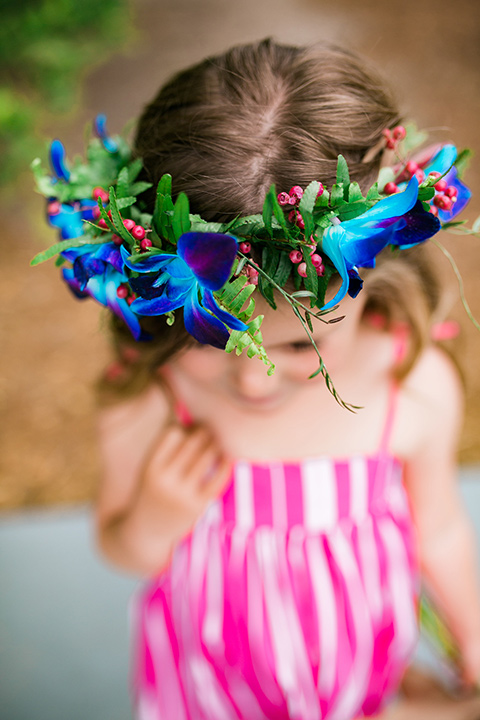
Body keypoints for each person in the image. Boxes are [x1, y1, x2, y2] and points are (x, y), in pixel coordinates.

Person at [34, 39, 480, 720]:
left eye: (304, 346)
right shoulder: (156, 395)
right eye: (212, 335)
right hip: (208, 687)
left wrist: (472, 639)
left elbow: (440, 530)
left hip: (357, 676)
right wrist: (156, 516)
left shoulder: (409, 387)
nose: (253, 386)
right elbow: (120, 544)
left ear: (378, 255)